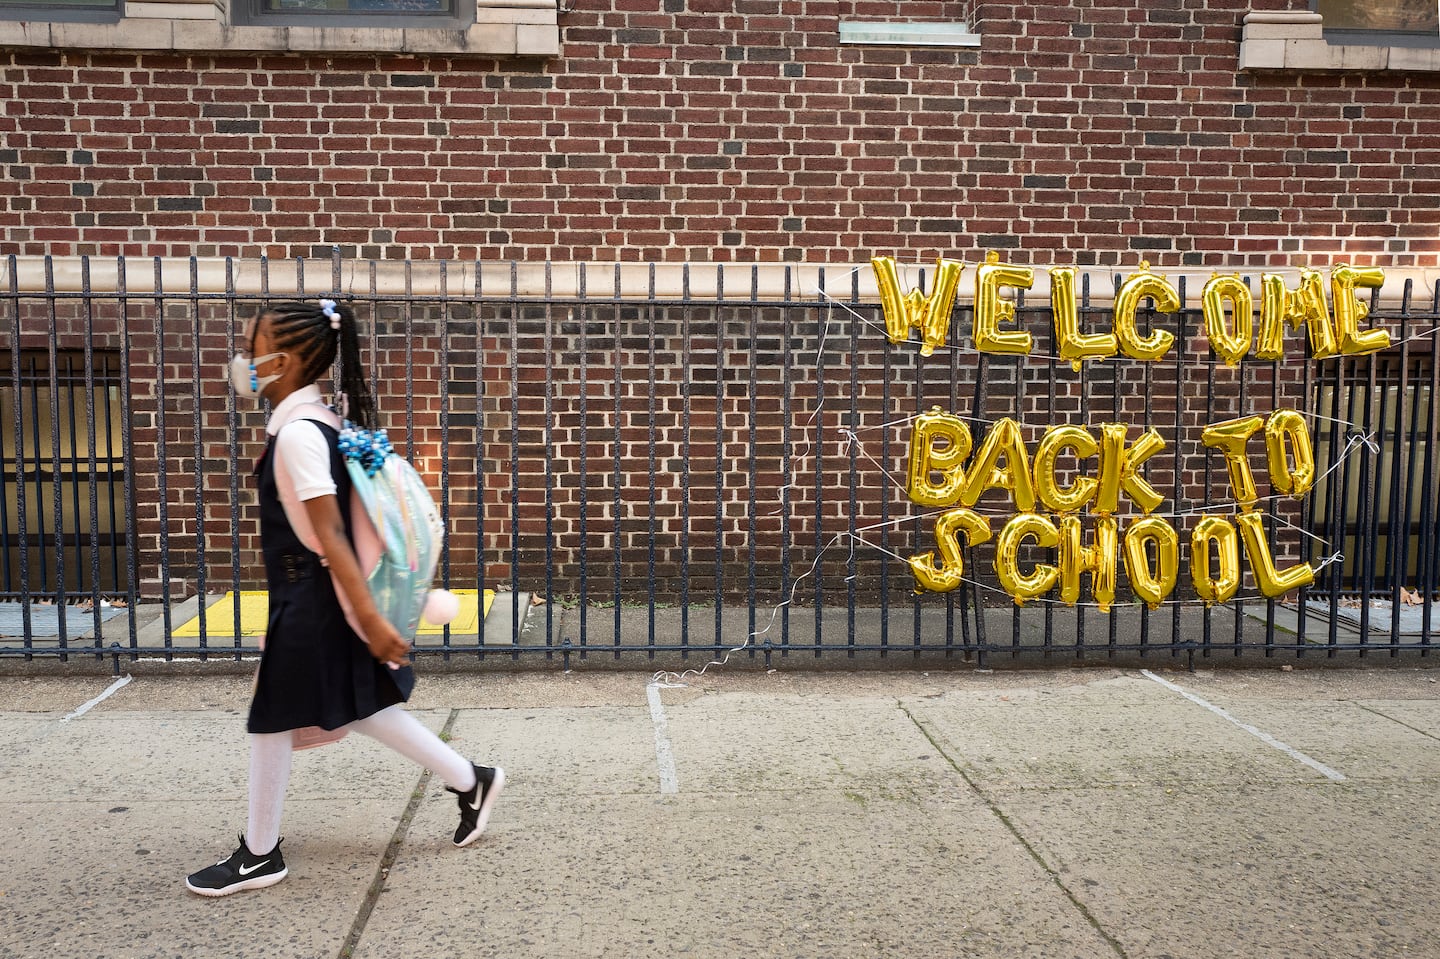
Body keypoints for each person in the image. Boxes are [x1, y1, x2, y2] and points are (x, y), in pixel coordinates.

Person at [186, 299, 504, 897]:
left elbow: (330, 536)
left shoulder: (300, 437)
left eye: (252, 348)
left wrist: (372, 621)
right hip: (313, 596)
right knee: (361, 707)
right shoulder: (320, 424)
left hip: (313, 599)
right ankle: (471, 779)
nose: (243, 359)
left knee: (272, 720)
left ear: (286, 362)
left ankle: (260, 854)